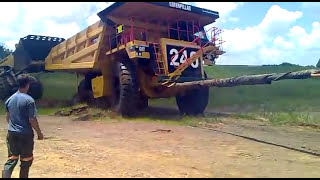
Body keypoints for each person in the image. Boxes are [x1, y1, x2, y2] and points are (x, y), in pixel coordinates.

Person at [2, 74, 44, 178]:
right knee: (26, 160)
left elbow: (8, 117)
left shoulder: (10, 99)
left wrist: (13, 127)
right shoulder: (29, 100)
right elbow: (32, 119)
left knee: (12, 159)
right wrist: (39, 133)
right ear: (28, 85)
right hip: (25, 134)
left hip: (12, 133)